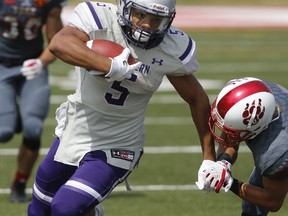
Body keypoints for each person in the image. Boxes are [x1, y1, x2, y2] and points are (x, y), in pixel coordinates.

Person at [27, 0, 216, 215]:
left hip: (118, 145)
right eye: (140, 15)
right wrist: (108, 65)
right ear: (125, 8)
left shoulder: (172, 48)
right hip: (74, 131)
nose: (146, 24)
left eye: (156, 20)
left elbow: (197, 98)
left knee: (66, 207)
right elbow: (58, 44)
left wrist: (209, 157)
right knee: (39, 208)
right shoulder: (100, 19)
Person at [0, 0, 67, 202]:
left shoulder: (48, 2)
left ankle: (19, 183)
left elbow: (57, 41)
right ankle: (12, 116)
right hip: (1, 66)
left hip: (32, 65)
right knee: (4, 132)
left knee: (33, 128)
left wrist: (40, 62)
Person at [196, 77, 288, 215]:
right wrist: (223, 163)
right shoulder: (257, 91)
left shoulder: (275, 154)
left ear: (255, 127)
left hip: (283, 151)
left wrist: (230, 183)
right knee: (252, 207)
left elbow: (272, 202)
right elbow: (232, 135)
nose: (224, 132)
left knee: (261, 195)